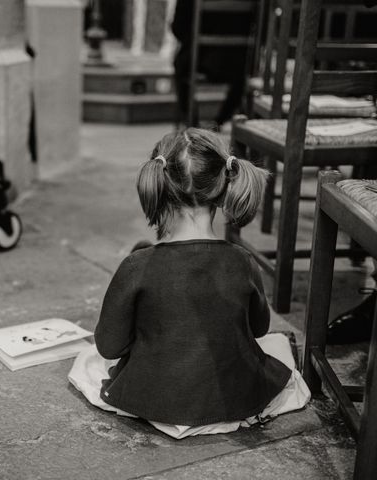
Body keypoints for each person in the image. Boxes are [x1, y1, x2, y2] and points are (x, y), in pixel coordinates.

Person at [68, 129, 310, 439]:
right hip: (235, 398)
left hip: (154, 399)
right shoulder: (242, 261)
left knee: (87, 360)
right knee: (275, 347)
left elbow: (109, 346)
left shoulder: (136, 266)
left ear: (160, 185)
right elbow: (259, 329)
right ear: (223, 187)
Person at [171, 0, 258, 130]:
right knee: (244, 73)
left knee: (181, 65)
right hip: (239, 65)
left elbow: (178, 28)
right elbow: (261, 31)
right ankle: (219, 121)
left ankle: (192, 123)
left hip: (201, 60)